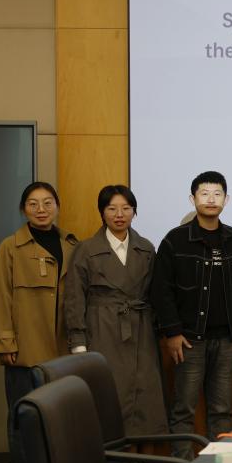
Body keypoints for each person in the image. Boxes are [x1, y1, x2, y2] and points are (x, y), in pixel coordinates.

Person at [151, 171, 232, 459]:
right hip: (188, 340)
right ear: (192, 198)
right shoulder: (175, 240)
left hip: (227, 340)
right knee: (183, 409)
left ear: (226, 200)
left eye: (217, 194)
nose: (211, 199)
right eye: (204, 193)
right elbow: (161, 290)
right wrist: (172, 332)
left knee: (222, 410)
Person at [0, 182, 77, 463]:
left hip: (62, 349)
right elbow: (0, 297)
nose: (41, 209)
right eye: (33, 203)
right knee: (22, 415)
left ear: (57, 206)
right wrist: (6, 341)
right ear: (23, 209)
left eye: (47, 202)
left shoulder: (71, 244)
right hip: (25, 347)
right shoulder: (10, 247)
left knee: (60, 415)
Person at [64, 185, 168, 443]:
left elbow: (157, 294)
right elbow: (74, 298)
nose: (119, 214)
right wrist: (78, 342)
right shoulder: (86, 250)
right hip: (103, 329)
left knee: (145, 397)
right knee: (110, 394)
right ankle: (114, 460)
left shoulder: (146, 248)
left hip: (141, 331)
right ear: (102, 212)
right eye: (112, 208)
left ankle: (140, 461)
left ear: (134, 211)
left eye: (126, 208)